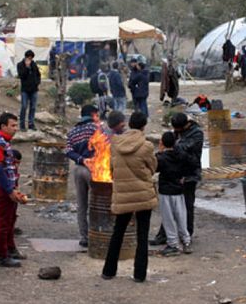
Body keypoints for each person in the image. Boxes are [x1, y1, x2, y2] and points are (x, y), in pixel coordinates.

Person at [101, 112, 157, 283]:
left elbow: (111, 168)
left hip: (123, 194)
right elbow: (153, 167)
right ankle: (139, 275)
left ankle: (108, 271)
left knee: (118, 232)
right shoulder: (146, 146)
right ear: (143, 126)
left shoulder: (115, 144)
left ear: (129, 124)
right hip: (143, 194)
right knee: (142, 235)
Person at [151, 113, 203, 246]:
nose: (176, 132)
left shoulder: (196, 134)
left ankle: (187, 235)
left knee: (187, 206)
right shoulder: (178, 132)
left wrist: (168, 146)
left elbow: (182, 149)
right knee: (168, 209)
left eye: (177, 129)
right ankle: (164, 235)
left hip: (190, 173)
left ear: (186, 125)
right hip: (176, 173)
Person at [0, 112, 27, 267]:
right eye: (12, 125)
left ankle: (11, 249)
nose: (15, 129)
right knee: (4, 223)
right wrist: (10, 190)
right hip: (3, 189)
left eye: (16, 125)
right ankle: (3, 256)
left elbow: (9, 168)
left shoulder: (5, 142)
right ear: (3, 126)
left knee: (11, 220)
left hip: (9, 188)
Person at [65, 105, 100, 247]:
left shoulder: (72, 131)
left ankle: (84, 237)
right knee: (95, 204)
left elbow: (67, 150)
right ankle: (95, 234)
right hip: (93, 169)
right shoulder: (95, 128)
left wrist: (80, 159)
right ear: (92, 115)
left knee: (81, 204)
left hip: (78, 169)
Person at [155, 131, 192, 256]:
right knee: (181, 216)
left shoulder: (162, 158)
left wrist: (159, 152)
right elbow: (190, 164)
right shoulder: (181, 155)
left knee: (168, 218)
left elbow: (154, 168)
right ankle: (186, 241)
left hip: (166, 191)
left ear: (163, 143)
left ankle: (173, 244)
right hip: (179, 191)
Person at [16, 49, 41, 132]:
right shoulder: (20, 65)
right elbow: (21, 75)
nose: (30, 60)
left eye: (31, 58)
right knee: (24, 106)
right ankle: (22, 125)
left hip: (34, 89)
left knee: (33, 107)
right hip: (25, 89)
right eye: (29, 58)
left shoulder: (34, 64)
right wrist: (27, 67)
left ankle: (31, 124)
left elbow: (38, 74)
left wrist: (37, 82)